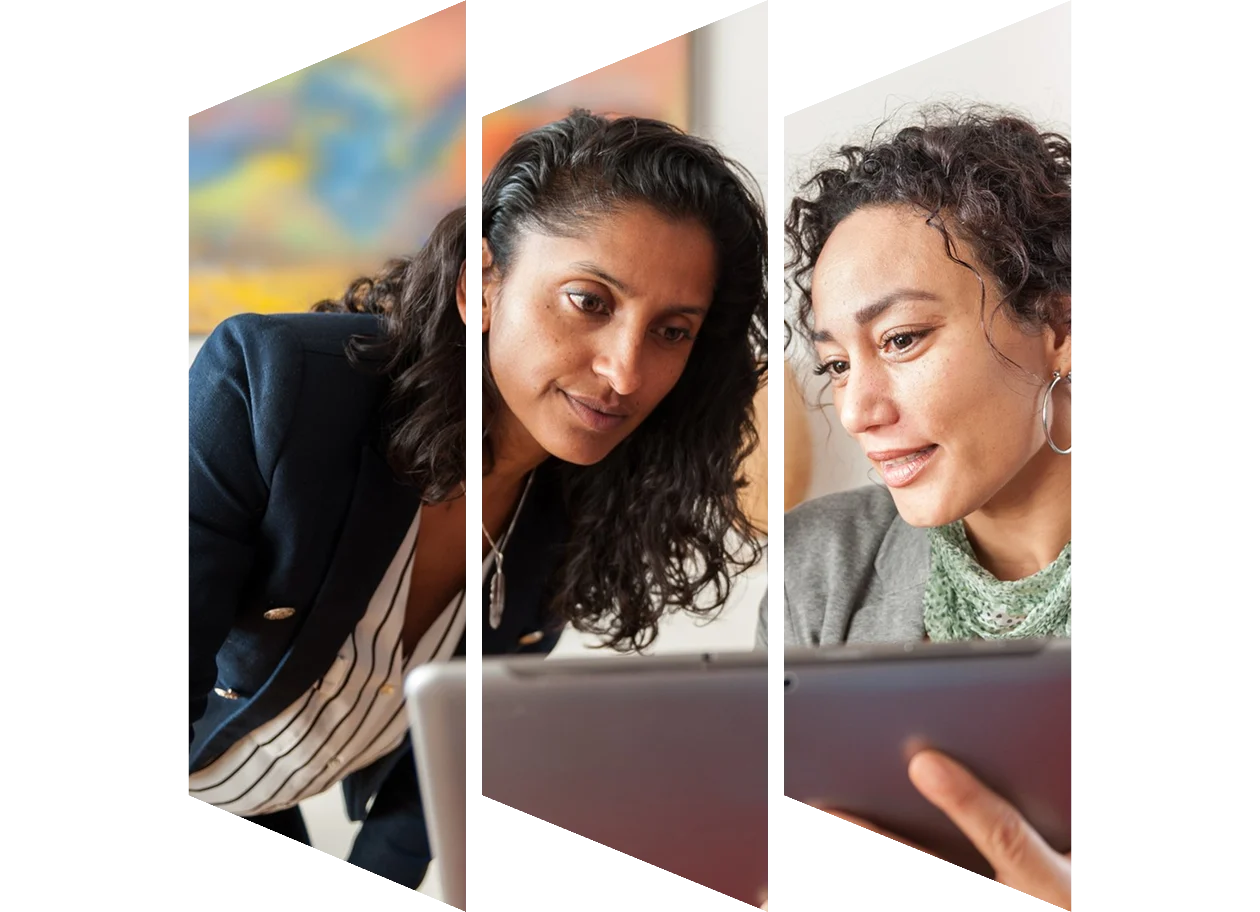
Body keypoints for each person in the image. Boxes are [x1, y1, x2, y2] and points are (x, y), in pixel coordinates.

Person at [185, 109, 769, 892]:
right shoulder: (271, 386)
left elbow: (446, 760)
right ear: (480, 284)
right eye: (590, 301)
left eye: (671, 331)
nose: (626, 372)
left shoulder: (586, 506)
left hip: (260, 799)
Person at [770, 105, 1072, 910]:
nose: (856, 410)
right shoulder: (816, 572)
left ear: (1057, 324)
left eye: (901, 339)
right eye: (836, 364)